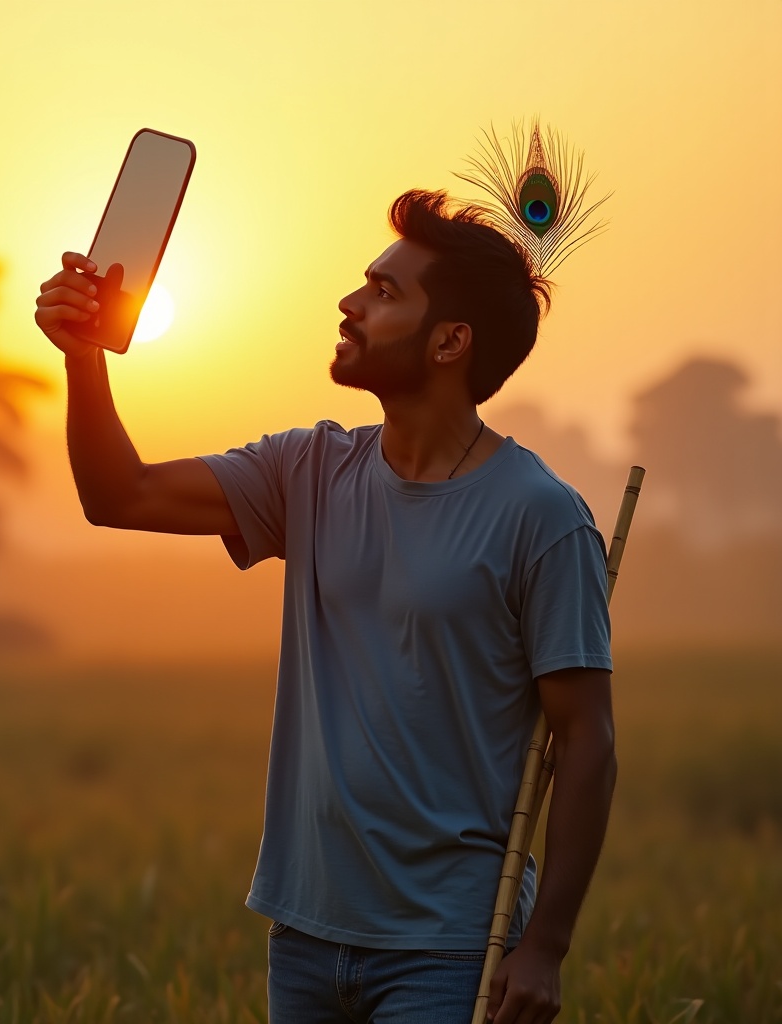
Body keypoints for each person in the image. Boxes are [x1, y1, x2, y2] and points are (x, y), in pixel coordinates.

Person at [35, 189, 616, 1024]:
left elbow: (588, 740)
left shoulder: (542, 517)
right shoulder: (307, 471)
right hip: (306, 932)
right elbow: (117, 494)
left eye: (385, 294)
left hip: (450, 946)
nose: (350, 304)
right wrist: (83, 356)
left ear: (452, 342)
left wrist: (547, 947)